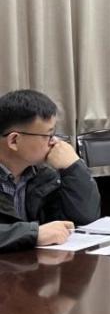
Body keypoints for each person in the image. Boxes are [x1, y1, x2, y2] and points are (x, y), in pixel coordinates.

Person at [0, 89, 101, 252]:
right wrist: (33, 234)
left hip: (32, 265)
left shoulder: (43, 176)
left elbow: (84, 220)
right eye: (48, 135)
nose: (54, 141)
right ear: (14, 141)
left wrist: (74, 168)